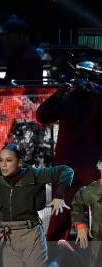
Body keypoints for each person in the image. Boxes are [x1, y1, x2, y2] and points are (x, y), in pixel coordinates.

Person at [37, 76, 102, 241]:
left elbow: (42, 116)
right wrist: (59, 94)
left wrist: (58, 94)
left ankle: (55, 258)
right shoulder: (71, 97)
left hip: (76, 168)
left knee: (64, 215)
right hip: (85, 168)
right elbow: (42, 116)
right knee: (64, 213)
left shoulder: (74, 97)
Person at [0, 15, 43, 85]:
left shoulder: (29, 57)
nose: (5, 39)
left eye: (8, 36)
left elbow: (17, 88)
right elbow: (9, 83)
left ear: (22, 36)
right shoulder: (16, 55)